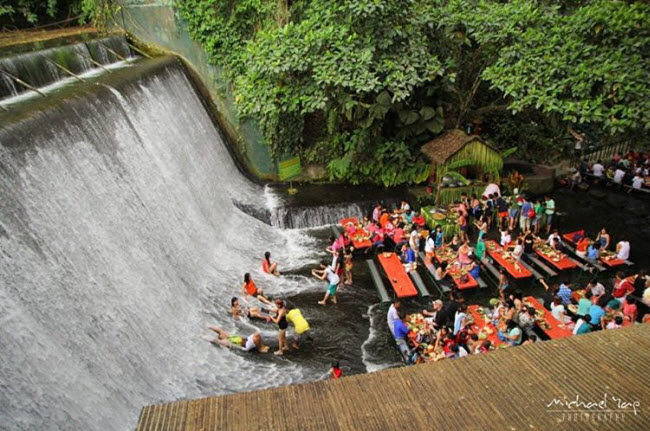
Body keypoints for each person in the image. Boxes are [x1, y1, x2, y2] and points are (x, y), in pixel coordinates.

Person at [202, 325, 269, 352]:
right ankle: (260, 348)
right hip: (245, 345)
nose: (222, 335)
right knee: (256, 338)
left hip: (246, 339)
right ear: (221, 339)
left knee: (257, 334)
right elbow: (214, 340)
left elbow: (219, 330)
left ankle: (261, 346)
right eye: (221, 337)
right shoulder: (226, 342)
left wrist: (207, 326)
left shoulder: (228, 336)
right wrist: (203, 336)